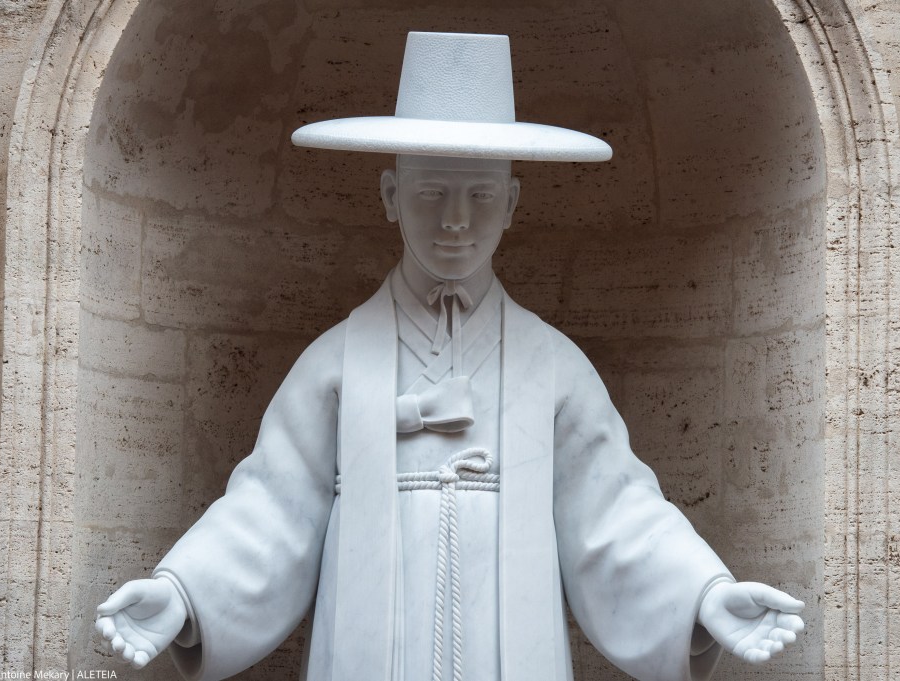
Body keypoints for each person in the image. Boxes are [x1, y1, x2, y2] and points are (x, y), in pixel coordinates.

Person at [95, 31, 805, 681]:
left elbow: (617, 511)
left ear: (514, 202)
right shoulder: (336, 363)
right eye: (431, 193)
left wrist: (702, 593)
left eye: (481, 195)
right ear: (390, 195)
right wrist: (182, 591)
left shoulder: (551, 365)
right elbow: (271, 507)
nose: (456, 220)